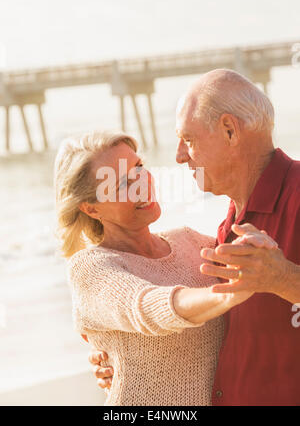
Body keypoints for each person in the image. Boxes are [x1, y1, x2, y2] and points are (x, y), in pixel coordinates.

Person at [90, 69, 300, 406]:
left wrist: (284, 277)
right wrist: (128, 360)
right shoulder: (224, 230)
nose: (179, 155)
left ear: (230, 131)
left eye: (188, 139)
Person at [54, 130, 261, 406]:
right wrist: (230, 292)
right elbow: (148, 307)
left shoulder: (189, 241)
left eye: (138, 168)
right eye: (122, 183)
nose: (141, 184)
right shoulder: (90, 268)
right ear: (91, 209)